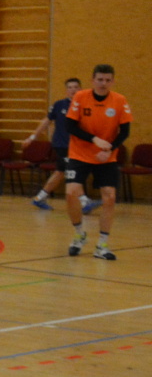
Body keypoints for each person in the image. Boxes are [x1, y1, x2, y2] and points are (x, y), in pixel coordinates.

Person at [63, 64, 133, 260]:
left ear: (113, 81)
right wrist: (94, 139)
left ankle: (102, 245)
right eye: (100, 79)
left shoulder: (119, 100)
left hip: (106, 156)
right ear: (93, 80)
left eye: (107, 80)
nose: (103, 83)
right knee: (70, 193)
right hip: (79, 154)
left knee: (109, 197)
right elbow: (70, 125)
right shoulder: (80, 97)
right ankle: (79, 235)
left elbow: (125, 131)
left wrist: (109, 148)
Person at [24, 77, 95, 212]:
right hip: (62, 145)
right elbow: (46, 122)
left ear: (81, 89)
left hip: (78, 146)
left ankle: (39, 198)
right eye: (70, 87)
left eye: (76, 87)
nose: (73, 90)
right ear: (66, 90)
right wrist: (32, 137)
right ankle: (84, 201)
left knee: (60, 173)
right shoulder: (59, 105)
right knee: (72, 172)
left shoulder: (85, 106)